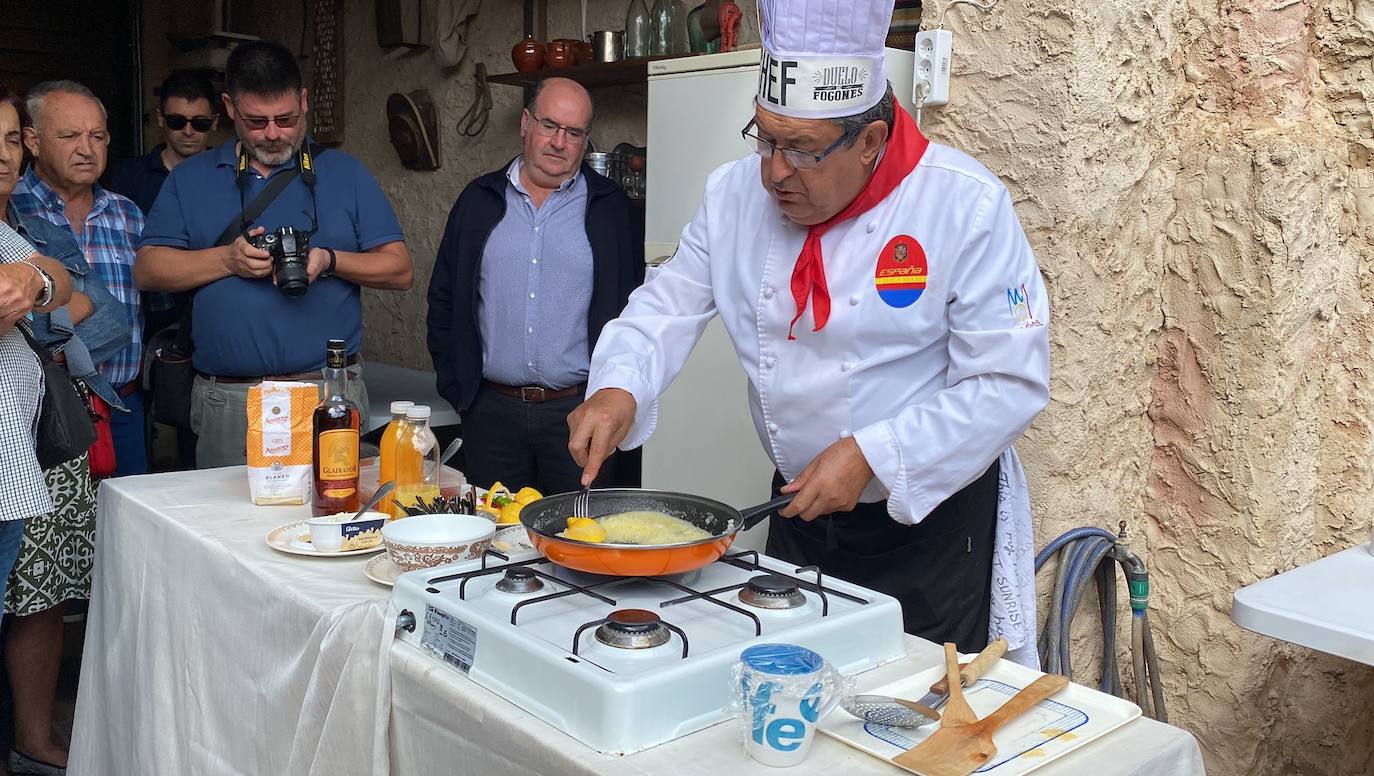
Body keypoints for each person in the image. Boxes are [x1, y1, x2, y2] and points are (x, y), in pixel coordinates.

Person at [568, 0, 1051, 659]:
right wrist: (619, 385)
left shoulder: (964, 205)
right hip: (798, 513)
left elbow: (1008, 382)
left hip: (928, 536)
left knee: (911, 725)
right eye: (764, 137)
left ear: (872, 141)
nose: (773, 171)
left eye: (801, 149)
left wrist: (874, 454)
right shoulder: (733, 195)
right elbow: (667, 304)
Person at [134, 40, 413, 468]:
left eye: (285, 119)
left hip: (326, 392)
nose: (272, 133)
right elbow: (148, 270)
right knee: (222, 530)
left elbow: (399, 269)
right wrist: (228, 260)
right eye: (256, 120)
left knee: (331, 522)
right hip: (228, 397)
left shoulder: (345, 172)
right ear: (229, 107)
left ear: (303, 102)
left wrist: (329, 260)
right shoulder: (191, 178)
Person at [427, 77, 644, 496]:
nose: (559, 142)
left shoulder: (612, 210)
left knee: (580, 535)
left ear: (585, 140)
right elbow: (444, 299)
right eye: (549, 125)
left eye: (574, 132)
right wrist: (459, 390)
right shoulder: (478, 200)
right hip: (491, 412)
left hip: (579, 412)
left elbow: (635, 310)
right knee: (494, 541)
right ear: (526, 123)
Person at [1, 84, 130, 776]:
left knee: (44, 592)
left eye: (8, 140)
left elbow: (105, 310)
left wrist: (38, 306)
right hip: (24, 429)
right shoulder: (25, 211)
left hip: (50, 431)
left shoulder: (17, 232)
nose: (3, 157)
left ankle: (32, 735)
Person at [12, 79, 149, 477]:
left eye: (97, 136)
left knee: (130, 533)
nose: (87, 149)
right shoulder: (10, 207)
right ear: (32, 141)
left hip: (121, 407)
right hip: (39, 412)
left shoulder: (129, 215)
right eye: (70, 136)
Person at [109, 68, 219, 336]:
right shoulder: (129, 176)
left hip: (216, 316)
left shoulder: (231, 177)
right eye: (177, 121)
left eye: (200, 123)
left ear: (215, 122)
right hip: (146, 321)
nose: (189, 131)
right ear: (160, 118)